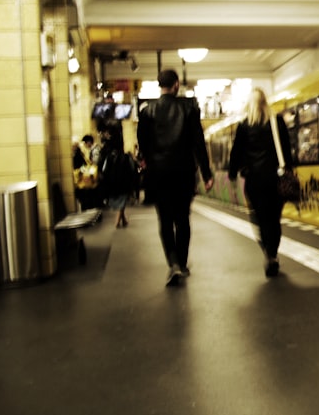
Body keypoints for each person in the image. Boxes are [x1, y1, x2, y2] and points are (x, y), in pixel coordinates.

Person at [137, 69, 214, 286]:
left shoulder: (147, 112)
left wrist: (148, 162)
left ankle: (172, 263)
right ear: (176, 84)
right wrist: (206, 174)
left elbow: (143, 145)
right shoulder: (189, 108)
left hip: (159, 175)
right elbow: (198, 143)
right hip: (183, 173)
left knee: (165, 220)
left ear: (159, 85)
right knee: (182, 219)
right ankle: (182, 262)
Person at [228, 87, 293, 277]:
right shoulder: (277, 121)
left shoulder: (244, 125)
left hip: (254, 181)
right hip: (275, 178)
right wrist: (289, 169)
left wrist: (233, 172)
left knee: (261, 217)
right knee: (274, 219)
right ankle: (272, 253)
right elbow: (287, 148)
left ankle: (268, 252)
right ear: (265, 102)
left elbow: (236, 152)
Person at [99, 132, 138, 228]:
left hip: (113, 184)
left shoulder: (108, 157)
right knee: (122, 200)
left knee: (121, 201)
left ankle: (123, 220)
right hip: (124, 183)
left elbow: (104, 170)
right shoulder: (125, 157)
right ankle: (117, 221)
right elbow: (132, 169)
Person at [73, 134, 102, 211]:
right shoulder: (82, 153)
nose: (85, 146)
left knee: (87, 199)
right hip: (88, 179)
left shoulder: (93, 150)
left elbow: (94, 164)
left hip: (85, 180)